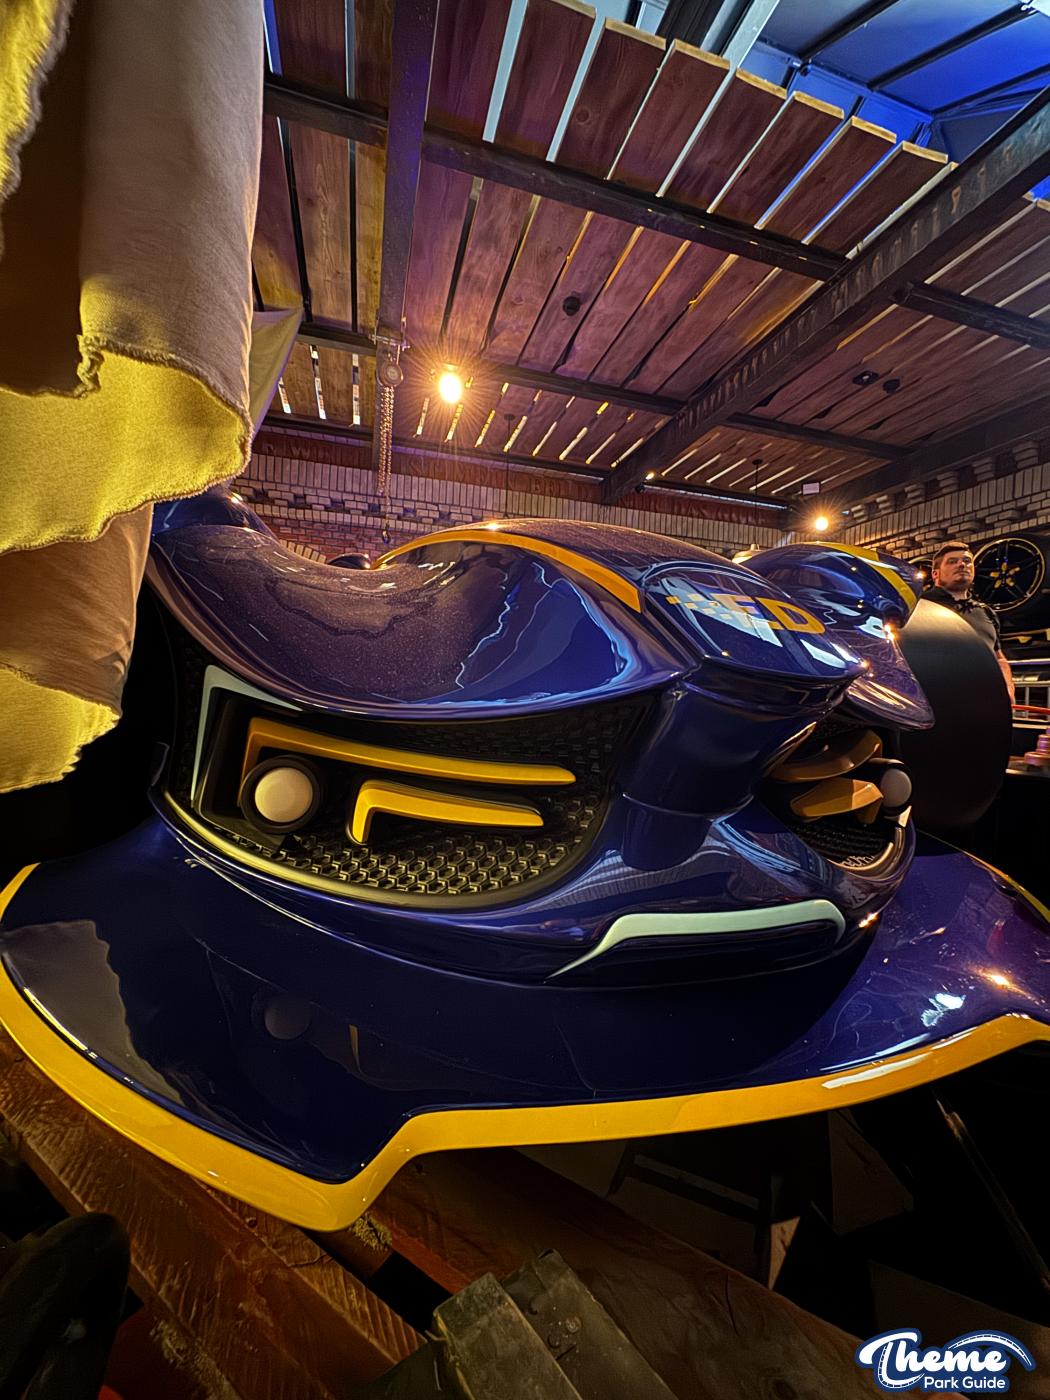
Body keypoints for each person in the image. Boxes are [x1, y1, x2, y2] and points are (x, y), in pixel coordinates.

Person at [924, 541, 1015, 700]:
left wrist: (1008, 689)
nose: (962, 565)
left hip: (981, 702)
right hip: (935, 702)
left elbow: (998, 658)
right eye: (952, 561)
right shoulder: (919, 606)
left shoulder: (985, 612)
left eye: (967, 561)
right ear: (935, 574)